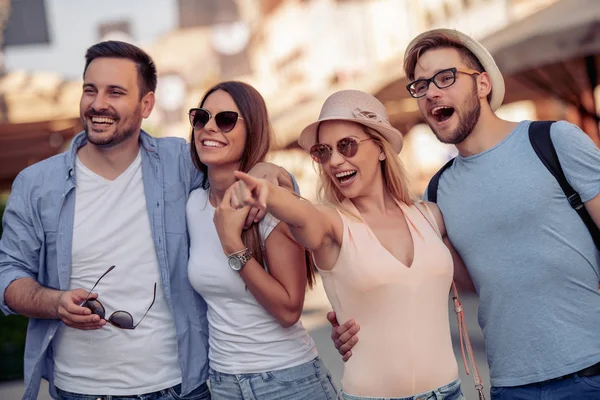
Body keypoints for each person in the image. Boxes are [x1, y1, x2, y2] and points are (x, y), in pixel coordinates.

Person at [0, 41, 295, 400]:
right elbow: (8, 275)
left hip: (181, 387)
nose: (97, 104)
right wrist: (53, 302)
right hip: (78, 389)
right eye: (90, 90)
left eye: (116, 92)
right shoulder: (36, 185)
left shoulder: (181, 163)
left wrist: (267, 169)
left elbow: (254, 175)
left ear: (146, 104)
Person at [329, 29, 600, 400]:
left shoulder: (554, 140)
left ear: (483, 83)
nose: (431, 92)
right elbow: (426, 284)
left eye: (445, 77)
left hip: (592, 370)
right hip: (511, 385)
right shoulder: (436, 197)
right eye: (421, 86)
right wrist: (354, 321)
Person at [227, 89, 470, 400]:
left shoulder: (430, 216)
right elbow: (300, 215)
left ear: (381, 149)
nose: (335, 161)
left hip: (449, 393)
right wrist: (264, 188)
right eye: (323, 152)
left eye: (347, 145)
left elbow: (477, 280)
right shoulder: (332, 225)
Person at [185, 80, 337, 400]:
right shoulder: (192, 205)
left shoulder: (271, 205)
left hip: (287, 381)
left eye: (224, 120)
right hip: (224, 384)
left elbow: (288, 310)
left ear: (252, 130)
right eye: (201, 118)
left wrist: (231, 243)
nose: (209, 128)